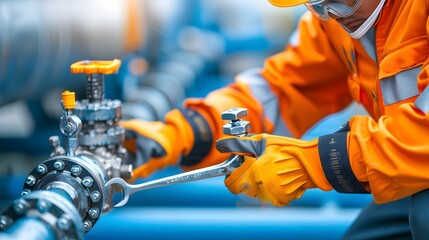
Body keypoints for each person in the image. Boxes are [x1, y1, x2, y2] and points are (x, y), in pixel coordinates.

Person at [121, 0, 429, 238]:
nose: (332, 13)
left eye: (339, 0)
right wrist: (189, 133)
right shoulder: (339, 21)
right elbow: (283, 90)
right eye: (316, 4)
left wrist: (316, 162)